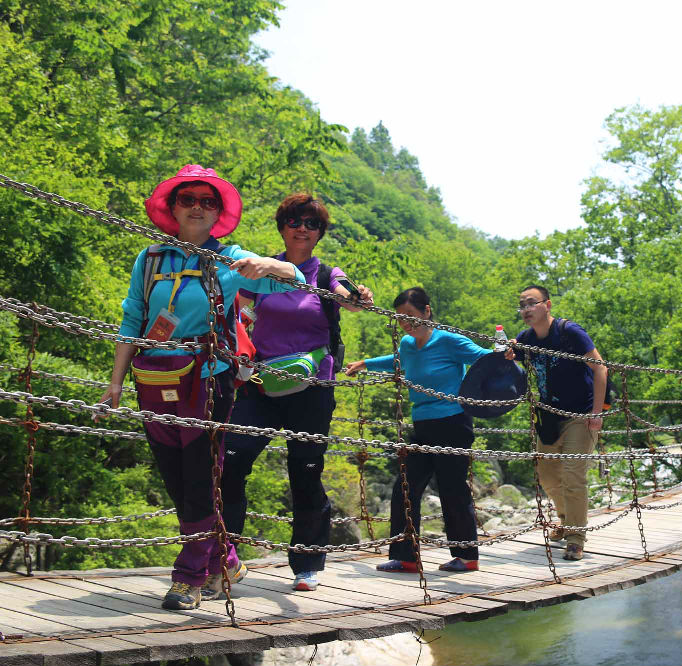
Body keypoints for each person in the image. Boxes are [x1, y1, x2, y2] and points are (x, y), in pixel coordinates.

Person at [97, 165, 305, 610]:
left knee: (199, 479)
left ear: (218, 213)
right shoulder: (151, 259)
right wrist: (115, 382)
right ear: (173, 207)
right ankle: (225, 559)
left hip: (209, 382)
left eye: (207, 201)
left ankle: (188, 578)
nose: (196, 207)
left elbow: (297, 282)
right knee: (176, 481)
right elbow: (133, 317)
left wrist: (270, 263)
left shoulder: (232, 258)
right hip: (154, 379)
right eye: (187, 199)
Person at [219, 193, 373, 593]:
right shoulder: (261, 270)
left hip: (312, 385)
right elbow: (238, 312)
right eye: (295, 221)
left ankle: (307, 564)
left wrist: (357, 299)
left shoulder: (325, 274)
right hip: (261, 382)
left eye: (311, 223)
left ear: (320, 232)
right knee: (230, 461)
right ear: (282, 226)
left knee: (305, 472)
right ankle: (224, 556)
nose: (302, 228)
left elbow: (344, 295)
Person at [344, 287, 491, 573]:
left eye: (410, 315)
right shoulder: (409, 345)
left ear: (427, 311)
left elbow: (482, 357)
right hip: (421, 425)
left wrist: (505, 352)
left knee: (452, 490)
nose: (406, 323)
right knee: (405, 488)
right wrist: (364, 364)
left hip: (453, 423)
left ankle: (466, 556)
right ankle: (406, 556)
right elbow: (397, 360)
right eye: (400, 318)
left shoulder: (448, 341)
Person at [503, 285, 607, 561]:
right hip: (549, 415)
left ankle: (575, 537)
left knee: (573, 474)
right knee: (547, 474)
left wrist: (597, 412)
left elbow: (600, 368)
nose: (526, 309)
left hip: (581, 414)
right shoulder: (526, 338)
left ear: (547, 305)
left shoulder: (570, 333)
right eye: (522, 305)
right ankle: (565, 519)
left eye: (531, 303)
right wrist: (509, 352)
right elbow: (512, 361)